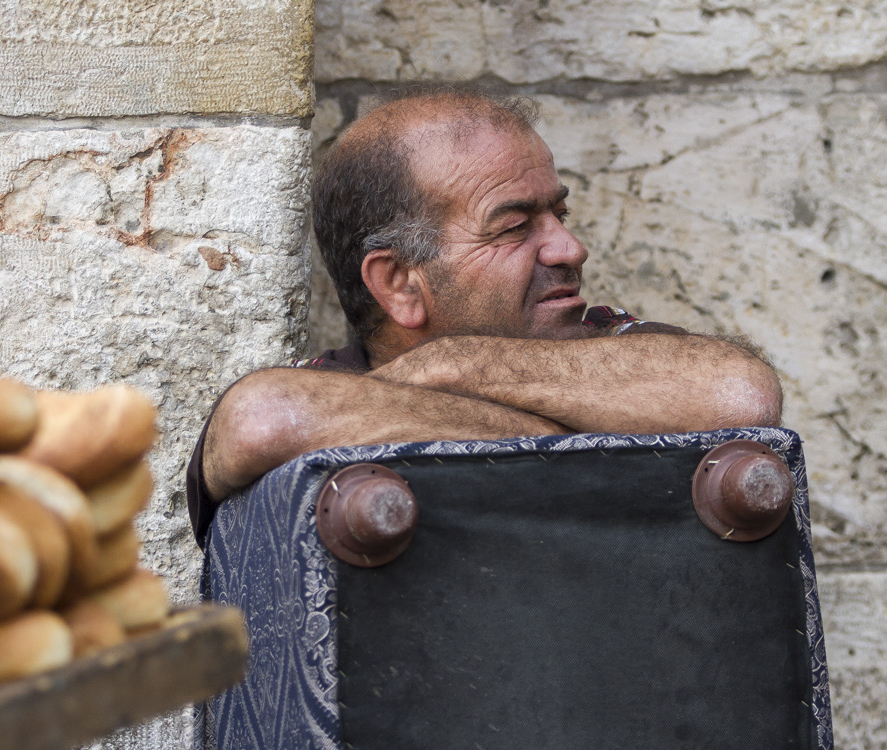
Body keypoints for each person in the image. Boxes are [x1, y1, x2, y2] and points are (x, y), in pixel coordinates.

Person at [186, 86, 782, 547]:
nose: (570, 249)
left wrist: (453, 362)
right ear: (399, 284)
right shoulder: (329, 385)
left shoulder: (606, 340)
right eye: (515, 227)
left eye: (559, 213)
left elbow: (740, 392)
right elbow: (264, 418)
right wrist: (585, 443)